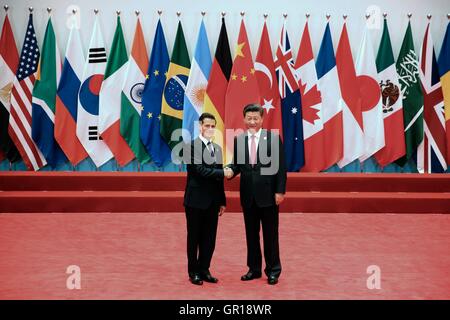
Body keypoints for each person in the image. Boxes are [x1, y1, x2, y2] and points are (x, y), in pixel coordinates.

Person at [225, 104, 287, 285]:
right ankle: (254, 269)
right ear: (244, 119)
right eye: (249, 118)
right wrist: (228, 170)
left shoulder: (273, 139)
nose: (252, 122)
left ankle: (273, 270)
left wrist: (280, 191)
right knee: (251, 235)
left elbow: (281, 168)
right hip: (248, 196)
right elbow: (237, 165)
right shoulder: (240, 140)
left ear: (262, 119)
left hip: (269, 195)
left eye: (256, 118)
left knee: (270, 235)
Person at [183, 112, 227, 285]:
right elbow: (199, 171)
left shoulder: (217, 148)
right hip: (195, 200)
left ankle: (205, 269)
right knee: (194, 237)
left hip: (213, 201)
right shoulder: (190, 147)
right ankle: (193, 271)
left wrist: (222, 200)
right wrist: (224, 171)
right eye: (206, 125)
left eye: (212, 126)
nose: (209, 129)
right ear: (200, 126)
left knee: (210, 237)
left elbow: (218, 179)